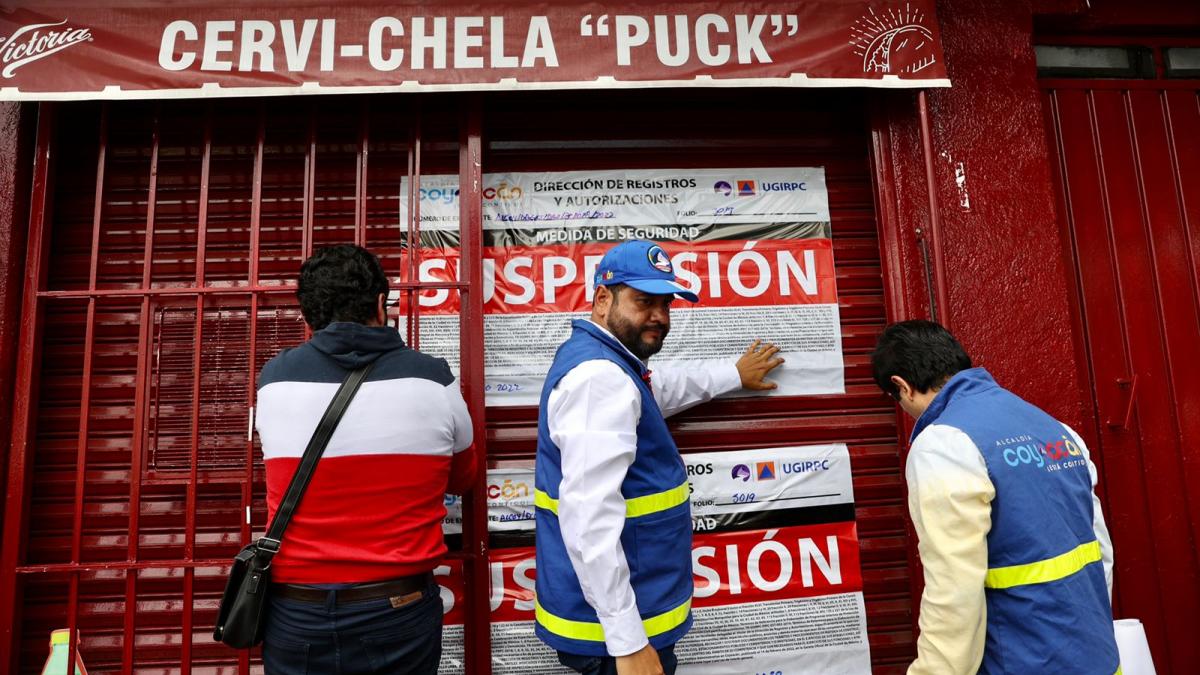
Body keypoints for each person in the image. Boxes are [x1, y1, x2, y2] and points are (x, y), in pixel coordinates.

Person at [534, 239, 784, 675]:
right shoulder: (600, 379)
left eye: (665, 304)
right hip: (614, 639)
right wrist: (627, 640)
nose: (658, 317)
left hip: (613, 625)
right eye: (643, 301)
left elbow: (656, 390)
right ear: (602, 299)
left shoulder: (609, 362)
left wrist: (732, 374)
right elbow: (588, 519)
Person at [254, 244, 476, 675]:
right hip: (398, 607)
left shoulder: (274, 379)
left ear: (307, 314)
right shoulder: (433, 379)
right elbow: (463, 478)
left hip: (296, 611)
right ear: (381, 303)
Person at [871, 320, 1119, 675]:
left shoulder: (943, 444)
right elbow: (1100, 552)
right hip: (1096, 656)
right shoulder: (1055, 429)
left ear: (902, 386)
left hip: (1022, 661)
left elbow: (954, 587)